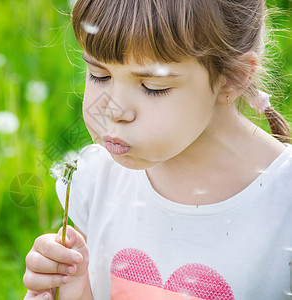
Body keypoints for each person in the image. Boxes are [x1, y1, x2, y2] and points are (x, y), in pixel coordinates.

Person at [24, 0, 292, 299]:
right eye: (99, 75)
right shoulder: (98, 179)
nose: (114, 110)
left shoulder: (283, 205)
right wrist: (71, 292)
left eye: (152, 86)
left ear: (233, 78)